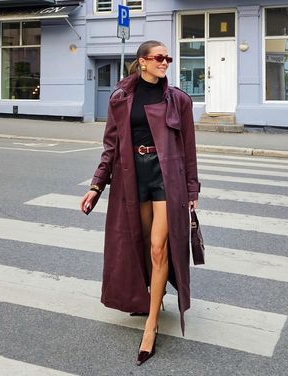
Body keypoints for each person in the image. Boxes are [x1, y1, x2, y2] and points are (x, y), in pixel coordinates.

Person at [80, 40, 200, 366]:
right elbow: (110, 147)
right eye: (159, 58)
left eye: (167, 58)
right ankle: (151, 297)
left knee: (160, 248)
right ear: (143, 62)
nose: (165, 62)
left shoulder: (178, 100)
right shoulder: (120, 98)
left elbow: (188, 149)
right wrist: (96, 186)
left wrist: (192, 190)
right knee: (142, 243)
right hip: (133, 176)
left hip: (166, 176)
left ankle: (150, 323)